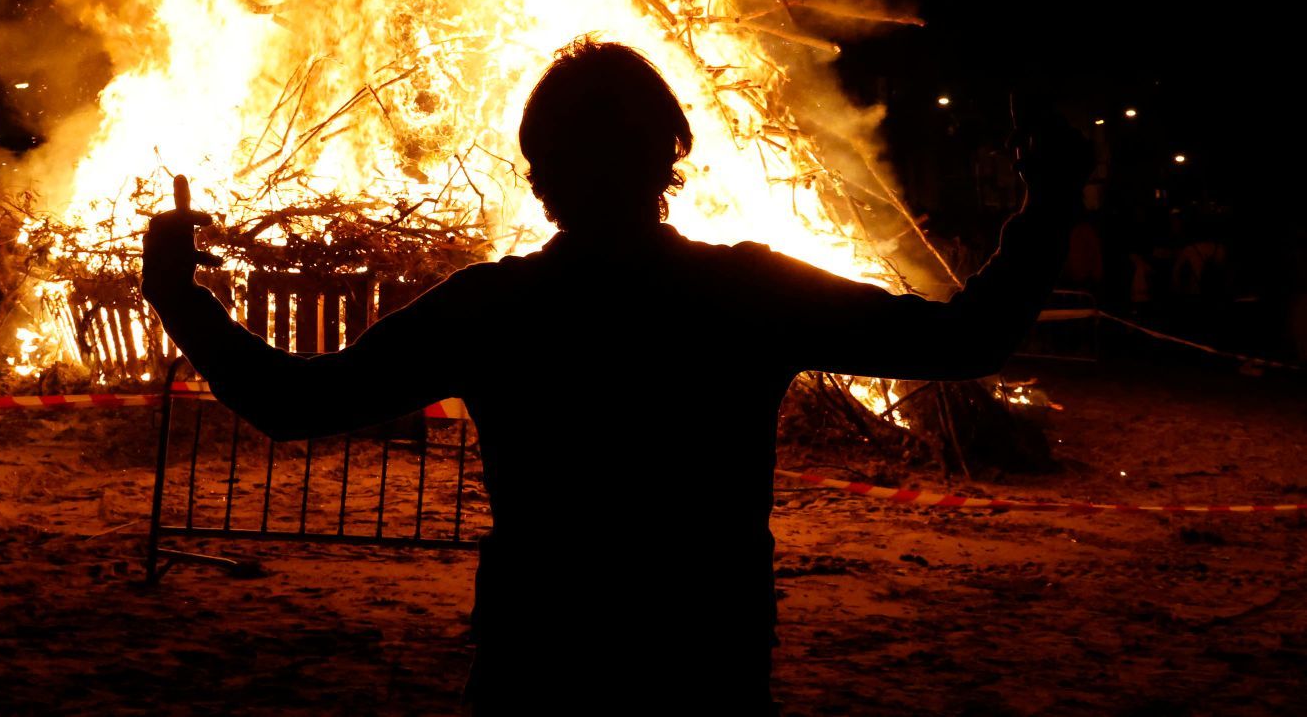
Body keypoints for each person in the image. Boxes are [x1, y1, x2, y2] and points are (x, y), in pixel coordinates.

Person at [143, 40, 1090, 713]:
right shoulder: (746, 293)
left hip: (543, 658)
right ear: (670, 156)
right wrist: (1046, 204)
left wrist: (182, 299)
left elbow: (290, 402)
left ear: (537, 174)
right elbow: (968, 339)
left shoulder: (495, 309)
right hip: (704, 659)